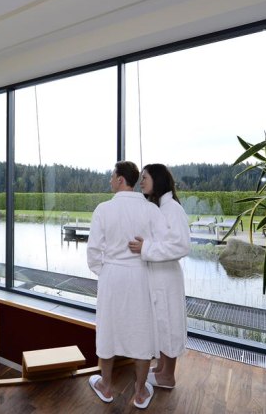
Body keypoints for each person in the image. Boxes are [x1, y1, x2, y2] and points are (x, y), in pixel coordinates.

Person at [87, 161, 168, 409]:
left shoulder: (103, 209)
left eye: (112, 176)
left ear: (121, 179)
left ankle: (106, 386)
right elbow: (164, 244)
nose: (110, 180)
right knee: (142, 332)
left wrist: (106, 271)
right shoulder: (151, 210)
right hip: (140, 275)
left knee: (108, 329)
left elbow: (93, 251)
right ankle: (140, 391)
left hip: (112, 276)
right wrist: (145, 251)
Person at [128, 163, 191, 389]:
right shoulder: (161, 208)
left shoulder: (172, 208)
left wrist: (146, 248)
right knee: (161, 323)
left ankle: (168, 377)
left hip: (167, 278)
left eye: (145, 177)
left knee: (170, 324)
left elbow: (181, 245)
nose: (141, 181)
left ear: (158, 179)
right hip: (158, 276)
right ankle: (162, 368)